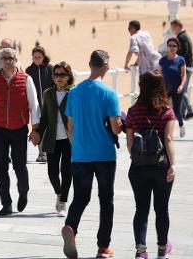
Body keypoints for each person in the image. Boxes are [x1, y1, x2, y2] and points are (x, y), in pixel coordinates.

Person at [60, 50, 122, 259]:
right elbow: (115, 128)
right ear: (106, 67)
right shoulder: (109, 94)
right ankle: (103, 248)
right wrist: (122, 122)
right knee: (106, 200)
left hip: (81, 154)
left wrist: (76, 145)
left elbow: (70, 126)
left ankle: (70, 226)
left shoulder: (74, 92)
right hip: (104, 154)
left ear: (89, 64)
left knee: (80, 197)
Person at [125, 70, 177, 259]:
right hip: (161, 166)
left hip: (138, 168)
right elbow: (169, 138)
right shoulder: (166, 111)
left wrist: (137, 157)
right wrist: (173, 165)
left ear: (142, 87)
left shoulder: (133, 111)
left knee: (141, 209)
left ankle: (141, 251)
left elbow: (130, 142)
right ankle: (162, 249)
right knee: (161, 209)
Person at [0, 48, 39, 216]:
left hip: (20, 128)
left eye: (10, 58)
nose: (7, 60)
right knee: (1, 168)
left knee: (19, 166)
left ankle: (23, 192)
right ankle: (6, 204)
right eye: (4, 58)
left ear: (16, 60)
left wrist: (35, 129)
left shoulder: (26, 79)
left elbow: (34, 105)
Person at [30, 61, 74, 217]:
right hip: (52, 139)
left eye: (62, 74)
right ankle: (59, 193)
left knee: (67, 172)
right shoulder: (48, 93)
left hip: (70, 140)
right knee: (52, 172)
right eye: (56, 75)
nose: (59, 78)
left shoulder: (74, 93)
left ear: (69, 76)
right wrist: (36, 132)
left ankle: (63, 202)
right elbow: (44, 117)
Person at [26, 45, 54, 163]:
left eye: (39, 57)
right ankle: (41, 153)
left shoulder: (51, 68)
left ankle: (49, 153)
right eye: (35, 57)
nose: (37, 59)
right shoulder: (29, 71)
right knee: (38, 128)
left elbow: (55, 85)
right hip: (35, 105)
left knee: (49, 129)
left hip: (49, 104)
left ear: (44, 57)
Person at [158, 38, 187, 137]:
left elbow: (184, 75)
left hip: (177, 89)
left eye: (174, 46)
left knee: (177, 110)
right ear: (167, 47)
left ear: (177, 48)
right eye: (170, 45)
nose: (172, 48)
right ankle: (164, 129)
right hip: (165, 89)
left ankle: (181, 125)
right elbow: (160, 75)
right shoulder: (162, 60)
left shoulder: (180, 60)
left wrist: (181, 86)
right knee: (162, 109)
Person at [170, 19, 193, 119]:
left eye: (172, 27)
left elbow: (184, 52)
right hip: (188, 66)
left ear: (177, 26)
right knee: (181, 90)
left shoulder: (181, 37)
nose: (172, 29)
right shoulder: (184, 35)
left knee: (180, 90)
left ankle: (190, 110)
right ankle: (184, 113)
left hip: (185, 67)